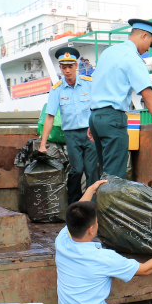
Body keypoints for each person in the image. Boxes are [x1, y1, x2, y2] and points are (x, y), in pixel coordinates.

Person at [89, 18, 152, 178]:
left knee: (104, 176)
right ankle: (106, 204)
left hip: (95, 118)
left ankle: (94, 203)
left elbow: (95, 85)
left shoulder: (108, 52)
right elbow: (148, 97)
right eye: (150, 43)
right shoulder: (133, 58)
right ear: (144, 36)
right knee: (114, 180)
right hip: (113, 119)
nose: (148, 49)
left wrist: (95, 119)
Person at [40, 47, 99, 204]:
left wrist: (95, 128)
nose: (67, 70)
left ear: (76, 66)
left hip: (90, 133)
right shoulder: (56, 89)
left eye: (70, 66)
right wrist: (42, 144)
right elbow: (50, 117)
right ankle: (74, 205)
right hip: (71, 135)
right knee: (77, 170)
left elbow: (97, 108)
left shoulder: (89, 84)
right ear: (60, 68)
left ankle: (92, 205)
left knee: (91, 170)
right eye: (64, 67)